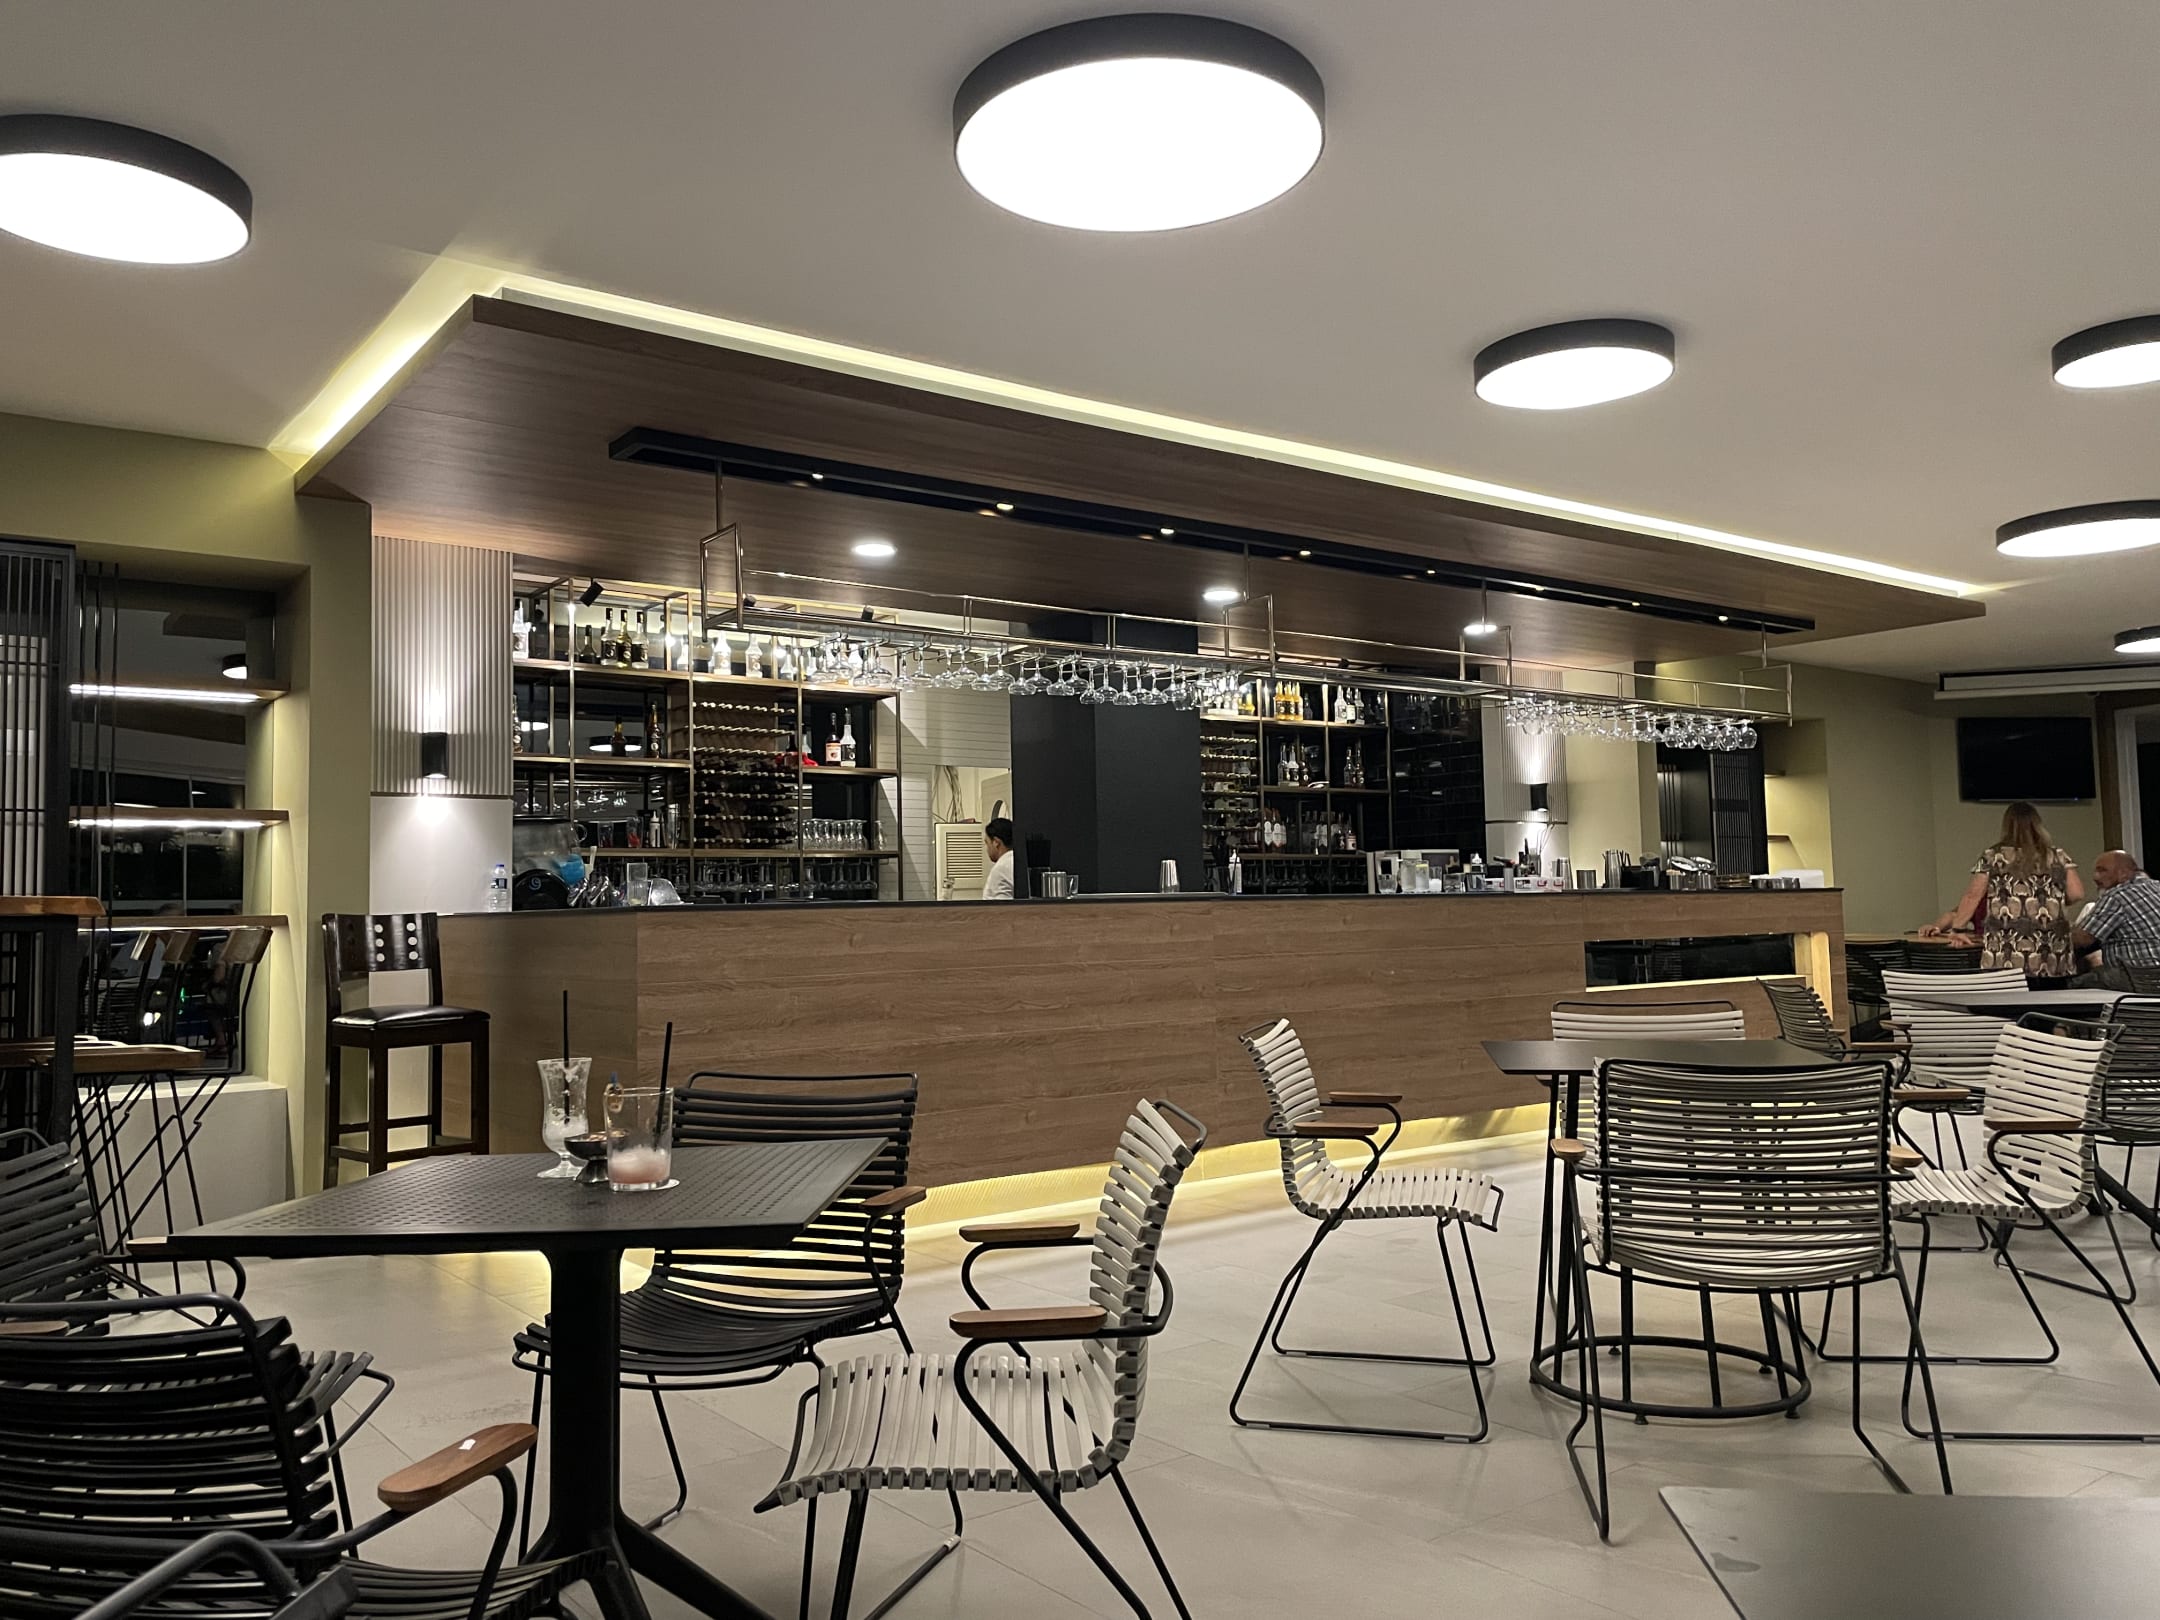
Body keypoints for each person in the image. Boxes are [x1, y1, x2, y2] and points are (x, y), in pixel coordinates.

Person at [1922, 800, 2085, 982]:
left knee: (2007, 995)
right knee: (2052, 997)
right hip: (2053, 952)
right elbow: (2077, 893)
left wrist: (1958, 929)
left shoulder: (1993, 856)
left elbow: (1973, 895)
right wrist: (2050, 900)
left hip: (2006, 952)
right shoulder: (2058, 855)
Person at [2070, 849, 2160, 989]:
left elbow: (2082, 939)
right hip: (2150, 975)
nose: (2095, 877)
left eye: (2102, 871)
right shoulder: (2156, 886)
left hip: (2142, 977)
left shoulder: (2117, 895)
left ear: (2123, 873)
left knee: (2070, 985)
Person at [982, 817, 1015, 900]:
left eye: (987, 843)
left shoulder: (1001, 869)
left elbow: (1000, 905)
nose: (987, 848)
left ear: (996, 842)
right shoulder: (1017, 862)